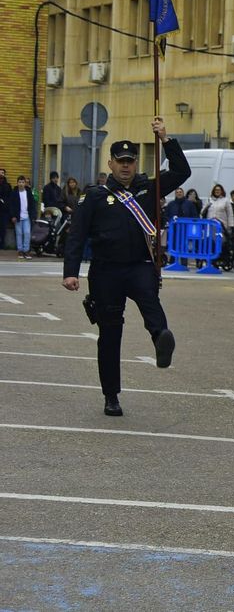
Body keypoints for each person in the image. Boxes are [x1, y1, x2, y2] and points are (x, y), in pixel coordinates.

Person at [62, 118, 190, 417]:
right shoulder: (93, 196)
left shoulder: (148, 188)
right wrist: (70, 271)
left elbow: (183, 172)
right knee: (110, 333)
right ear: (110, 163)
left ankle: (161, 339)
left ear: (135, 163)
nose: (126, 167)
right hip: (106, 272)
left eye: (130, 161)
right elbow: (77, 235)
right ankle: (111, 395)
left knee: (150, 301)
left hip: (139, 265)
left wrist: (166, 140)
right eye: (120, 162)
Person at [10, 176, 37, 258]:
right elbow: (11, 206)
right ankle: (20, 251)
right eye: (20, 182)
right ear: (17, 183)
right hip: (18, 217)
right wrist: (13, 216)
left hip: (27, 216)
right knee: (19, 233)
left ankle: (26, 250)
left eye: (23, 182)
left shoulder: (28, 192)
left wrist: (33, 215)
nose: (21, 184)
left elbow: (32, 204)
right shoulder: (14, 193)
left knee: (27, 233)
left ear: (25, 183)